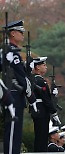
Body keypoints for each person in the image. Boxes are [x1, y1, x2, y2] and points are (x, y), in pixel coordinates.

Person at [1, 20, 38, 154]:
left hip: (16, 95)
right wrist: (32, 98)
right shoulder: (9, 52)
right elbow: (22, 78)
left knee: (16, 132)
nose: (22, 35)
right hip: (13, 94)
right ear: (12, 33)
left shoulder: (12, 52)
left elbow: (23, 75)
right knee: (12, 132)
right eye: (20, 32)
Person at [31, 57, 61, 152]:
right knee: (42, 136)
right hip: (42, 111)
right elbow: (46, 99)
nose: (46, 67)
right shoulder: (40, 81)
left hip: (38, 110)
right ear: (38, 67)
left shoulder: (36, 80)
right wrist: (54, 112)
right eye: (43, 65)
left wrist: (52, 94)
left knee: (40, 135)